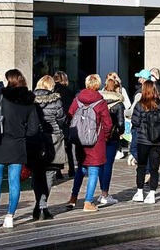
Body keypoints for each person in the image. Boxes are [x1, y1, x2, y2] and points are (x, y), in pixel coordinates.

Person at [0, 69, 39, 228]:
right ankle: (10, 217)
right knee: (14, 182)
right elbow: (34, 128)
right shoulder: (29, 101)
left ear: (9, 81)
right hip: (17, 144)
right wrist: (22, 133)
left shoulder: (1, 98)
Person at [66, 74, 112, 212]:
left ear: (86, 84)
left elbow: (69, 115)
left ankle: (73, 198)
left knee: (81, 169)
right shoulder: (101, 102)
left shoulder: (77, 99)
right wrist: (105, 137)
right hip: (95, 141)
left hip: (79, 140)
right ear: (98, 85)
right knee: (93, 171)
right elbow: (108, 124)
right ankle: (88, 202)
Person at [30, 75, 66, 220]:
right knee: (50, 173)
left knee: (37, 173)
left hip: (35, 138)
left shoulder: (30, 99)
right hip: (53, 138)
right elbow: (62, 119)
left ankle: (39, 204)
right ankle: (43, 206)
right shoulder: (56, 100)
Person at [131, 80, 160, 204]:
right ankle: (152, 194)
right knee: (154, 168)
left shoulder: (140, 105)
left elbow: (135, 121)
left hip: (143, 140)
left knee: (141, 166)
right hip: (157, 141)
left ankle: (140, 192)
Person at [97, 78, 125, 205]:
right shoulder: (118, 103)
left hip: (99, 135)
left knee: (100, 164)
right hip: (112, 136)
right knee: (108, 164)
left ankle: (101, 192)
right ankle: (105, 193)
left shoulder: (99, 100)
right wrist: (120, 132)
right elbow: (120, 123)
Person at [53, 71, 75, 178]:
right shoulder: (69, 92)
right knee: (68, 147)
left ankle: (58, 171)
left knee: (57, 146)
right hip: (67, 120)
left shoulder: (52, 91)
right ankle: (71, 169)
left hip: (55, 121)